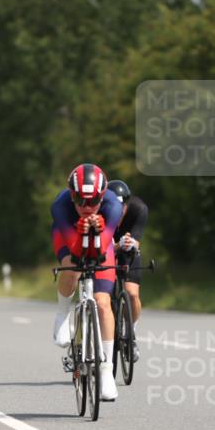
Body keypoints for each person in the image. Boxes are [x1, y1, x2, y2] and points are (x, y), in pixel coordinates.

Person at [51, 163, 123, 401]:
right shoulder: (61, 206)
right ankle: (62, 314)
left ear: (102, 197)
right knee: (72, 265)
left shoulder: (113, 207)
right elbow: (74, 248)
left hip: (100, 240)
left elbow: (102, 249)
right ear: (72, 196)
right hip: (68, 235)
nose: (85, 207)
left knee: (103, 303)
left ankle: (106, 370)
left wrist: (96, 231)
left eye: (92, 202)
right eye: (79, 200)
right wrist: (81, 231)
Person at [106, 180, 148, 361]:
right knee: (104, 297)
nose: (118, 210)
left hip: (129, 253)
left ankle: (131, 332)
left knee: (131, 293)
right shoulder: (101, 212)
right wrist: (116, 245)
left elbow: (137, 239)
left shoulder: (139, 209)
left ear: (127, 204)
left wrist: (130, 243)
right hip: (107, 251)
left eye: (121, 206)